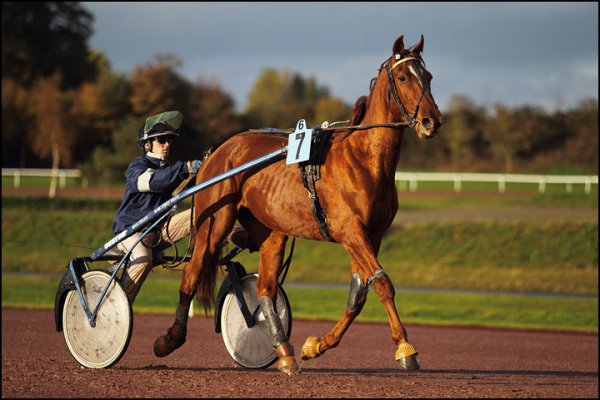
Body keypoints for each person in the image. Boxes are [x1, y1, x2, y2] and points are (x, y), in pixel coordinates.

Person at [111, 110, 203, 303]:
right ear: (147, 144)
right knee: (144, 260)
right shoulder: (138, 166)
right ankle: (117, 308)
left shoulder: (169, 171)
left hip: (157, 231)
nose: (167, 144)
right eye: (162, 140)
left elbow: (180, 182)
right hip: (130, 231)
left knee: (201, 213)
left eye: (169, 140)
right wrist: (184, 168)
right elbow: (154, 182)